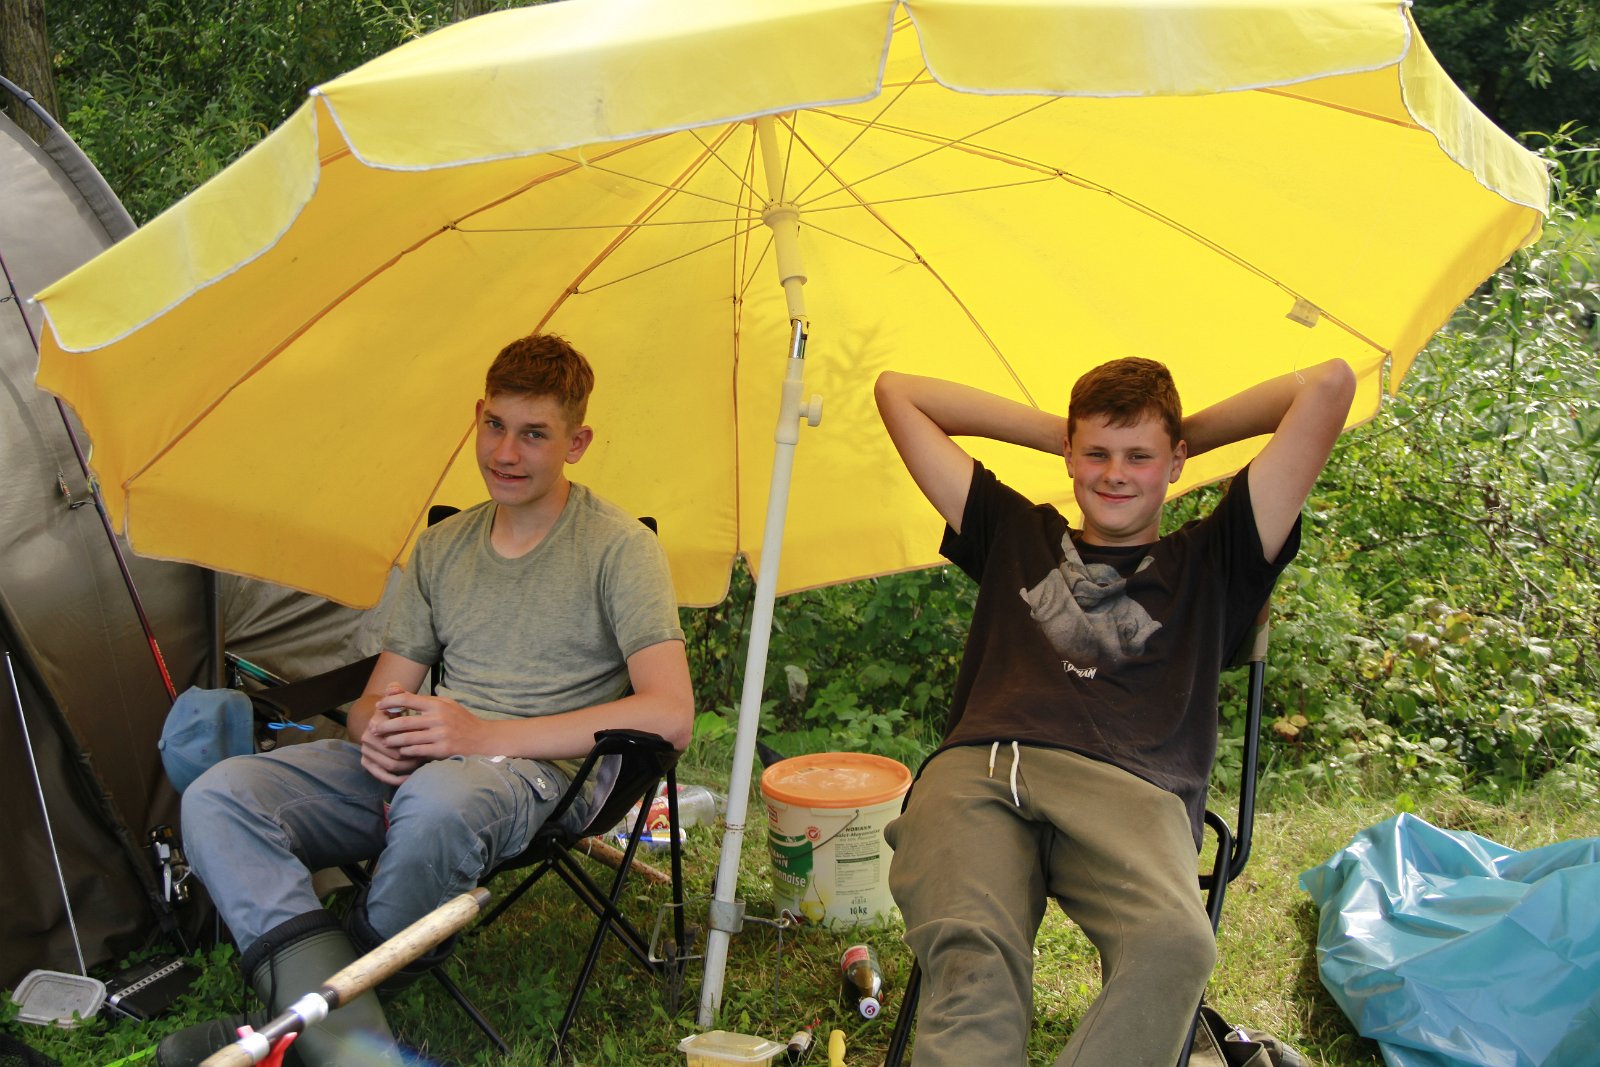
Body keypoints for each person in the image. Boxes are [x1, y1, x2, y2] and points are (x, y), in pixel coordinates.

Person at [159, 333, 693, 1067]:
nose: (505, 452)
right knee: (220, 797)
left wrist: (481, 735)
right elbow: (374, 699)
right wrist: (377, 728)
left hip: (537, 774)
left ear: (577, 442)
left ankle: (312, 1015)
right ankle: (331, 1029)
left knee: (439, 802)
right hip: (426, 759)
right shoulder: (444, 548)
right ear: (477, 415)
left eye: (534, 434)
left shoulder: (620, 549)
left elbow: (671, 713)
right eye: (495, 425)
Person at [873, 355, 1355, 1066]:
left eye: (1140, 456)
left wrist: (1179, 432)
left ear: (1176, 461)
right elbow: (899, 391)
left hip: (1132, 791)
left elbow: (1329, 385)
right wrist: (1065, 433)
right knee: (974, 951)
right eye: (1095, 453)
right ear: (1070, 457)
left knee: (1175, 944)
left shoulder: (1215, 558)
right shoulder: (1017, 533)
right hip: (985, 770)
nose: (1115, 474)